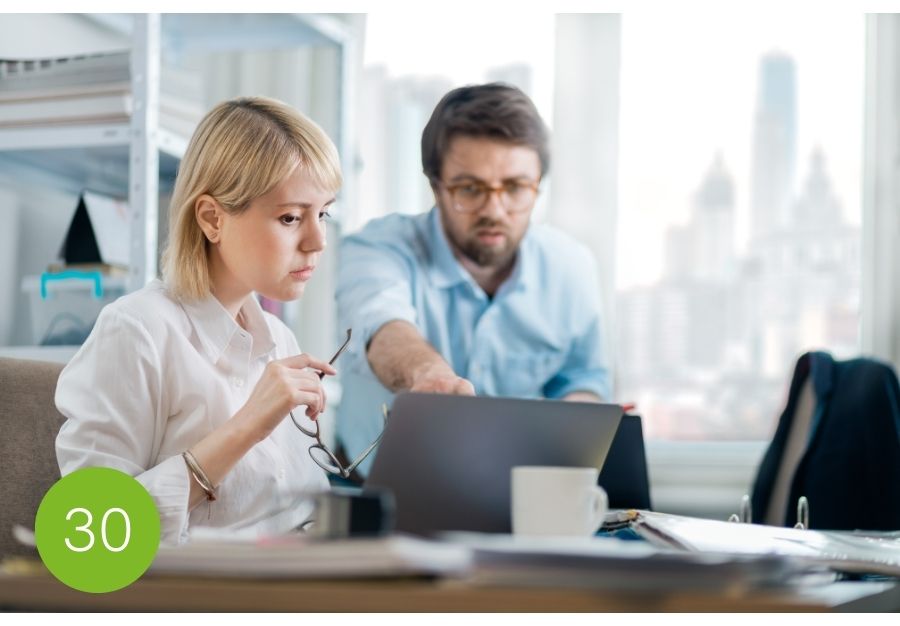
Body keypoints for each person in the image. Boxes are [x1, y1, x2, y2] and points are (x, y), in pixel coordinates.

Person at [55, 97, 342, 544]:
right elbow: (85, 542)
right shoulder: (136, 331)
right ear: (212, 218)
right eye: (291, 217)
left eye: (323, 213)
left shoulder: (279, 339)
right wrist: (248, 425)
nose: (318, 240)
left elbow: (298, 517)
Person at [336, 83, 611, 477]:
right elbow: (381, 325)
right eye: (470, 189)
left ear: (537, 186)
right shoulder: (376, 249)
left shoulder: (572, 267)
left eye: (516, 188)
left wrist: (571, 446)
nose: (494, 210)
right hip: (374, 491)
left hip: (518, 492)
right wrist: (428, 376)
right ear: (436, 186)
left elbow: (583, 378)